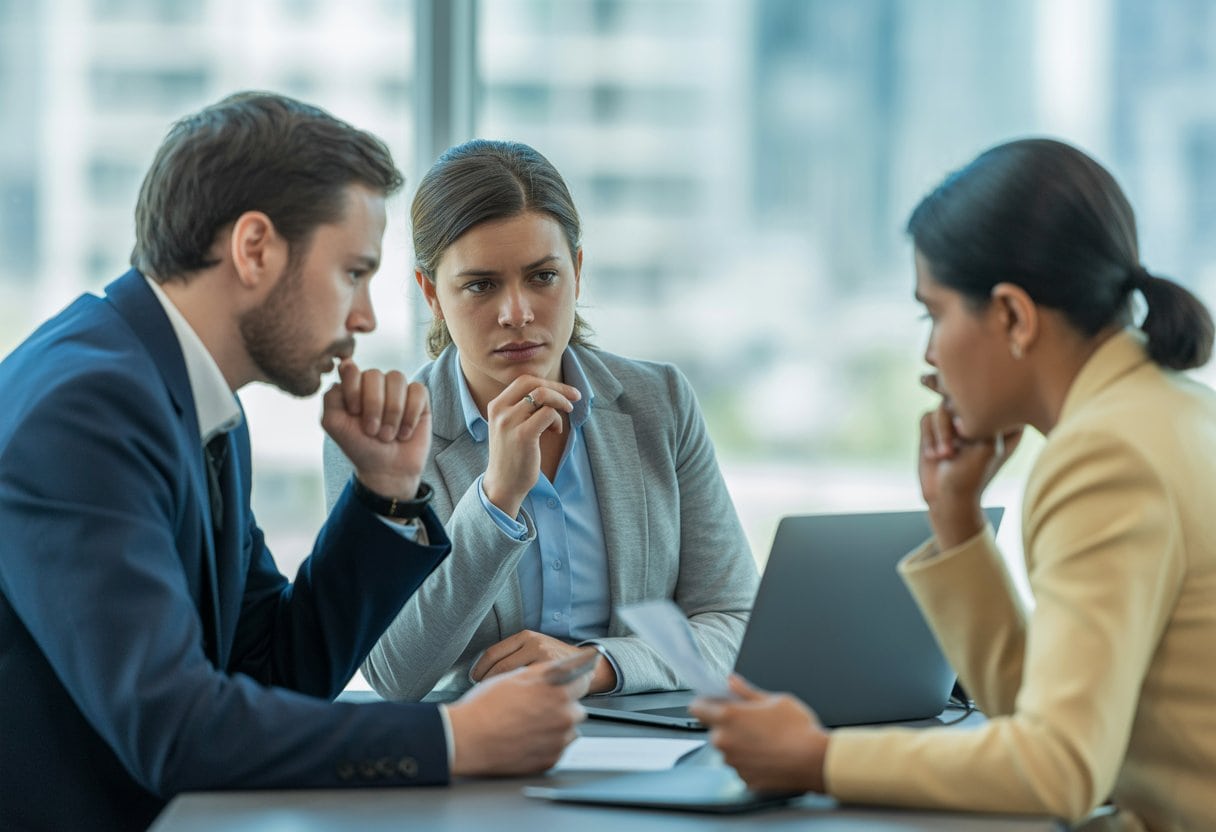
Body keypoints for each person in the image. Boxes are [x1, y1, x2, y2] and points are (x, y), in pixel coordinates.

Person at [0, 94, 590, 832]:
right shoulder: (86, 407)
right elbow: (176, 729)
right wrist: (454, 737)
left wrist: (384, 494)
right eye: (353, 273)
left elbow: (272, 669)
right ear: (254, 249)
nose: (367, 317)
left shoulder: (186, 396)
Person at [691, 138, 1216, 831]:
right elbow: (1047, 722)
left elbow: (1056, 769)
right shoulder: (1176, 410)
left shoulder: (1103, 455)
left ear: (1012, 316)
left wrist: (817, 757)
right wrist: (957, 522)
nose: (929, 354)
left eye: (933, 314)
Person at [324, 139, 758, 701]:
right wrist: (495, 500)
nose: (517, 313)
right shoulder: (379, 435)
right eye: (481, 285)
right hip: (476, 759)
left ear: (576, 271)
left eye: (542, 277)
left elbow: (734, 619)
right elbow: (393, 674)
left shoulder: (661, 402)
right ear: (432, 294)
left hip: (647, 746)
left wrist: (596, 665)